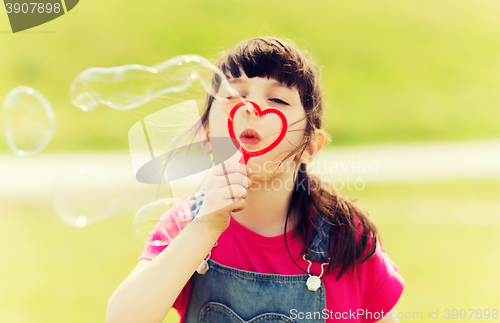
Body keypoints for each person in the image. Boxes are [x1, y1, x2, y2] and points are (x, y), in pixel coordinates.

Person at [106, 37, 405, 323]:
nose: (251, 107)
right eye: (234, 96)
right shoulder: (187, 222)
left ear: (310, 146)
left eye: (277, 99)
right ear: (209, 135)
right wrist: (203, 230)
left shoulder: (345, 238)